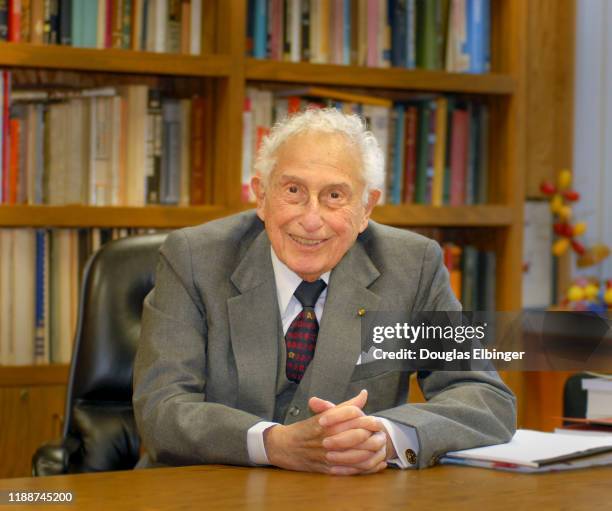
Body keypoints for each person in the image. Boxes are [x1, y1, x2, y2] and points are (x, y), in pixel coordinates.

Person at [133, 108, 516, 475]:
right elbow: (162, 411)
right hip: (203, 496)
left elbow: (485, 397)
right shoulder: (194, 259)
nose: (311, 219)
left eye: (335, 196)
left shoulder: (412, 267)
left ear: (367, 207)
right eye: (294, 190)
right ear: (261, 196)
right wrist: (273, 444)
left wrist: (385, 437)